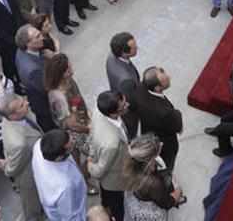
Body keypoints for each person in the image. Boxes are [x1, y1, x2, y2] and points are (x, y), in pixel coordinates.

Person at [0, 93, 46, 221]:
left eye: (23, 100)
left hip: (35, 163)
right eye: (21, 105)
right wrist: (7, 168)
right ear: (12, 116)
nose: (27, 103)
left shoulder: (14, 118)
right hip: (28, 175)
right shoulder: (19, 143)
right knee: (32, 208)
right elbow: (14, 168)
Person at [88, 91, 132, 221]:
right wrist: (90, 163)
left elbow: (92, 132)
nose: (128, 105)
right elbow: (99, 171)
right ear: (113, 114)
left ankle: (105, 203)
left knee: (106, 197)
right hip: (113, 180)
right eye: (123, 106)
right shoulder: (111, 143)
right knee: (116, 206)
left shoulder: (99, 108)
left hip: (113, 165)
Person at [122, 133, 184, 220]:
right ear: (149, 160)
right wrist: (178, 190)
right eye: (156, 149)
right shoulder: (152, 183)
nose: (161, 143)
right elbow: (168, 203)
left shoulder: (131, 161)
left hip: (133, 203)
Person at [32, 129, 88, 220]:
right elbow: (69, 215)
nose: (73, 142)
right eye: (70, 147)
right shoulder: (65, 186)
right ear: (59, 158)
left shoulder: (38, 146)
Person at [134, 67, 182, 170]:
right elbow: (177, 125)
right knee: (166, 165)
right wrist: (178, 113)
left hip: (147, 129)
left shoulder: (141, 87)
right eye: (166, 80)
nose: (169, 77)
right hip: (164, 144)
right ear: (157, 88)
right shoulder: (163, 113)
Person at [15, 25, 56, 131]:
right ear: (28, 44)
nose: (42, 37)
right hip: (46, 107)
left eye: (39, 33)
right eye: (37, 36)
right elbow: (49, 89)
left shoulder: (22, 50)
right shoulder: (33, 70)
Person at [106, 31, 140, 139]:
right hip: (129, 114)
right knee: (132, 131)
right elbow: (132, 102)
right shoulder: (126, 80)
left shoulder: (112, 56)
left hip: (119, 90)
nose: (137, 48)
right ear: (124, 53)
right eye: (134, 48)